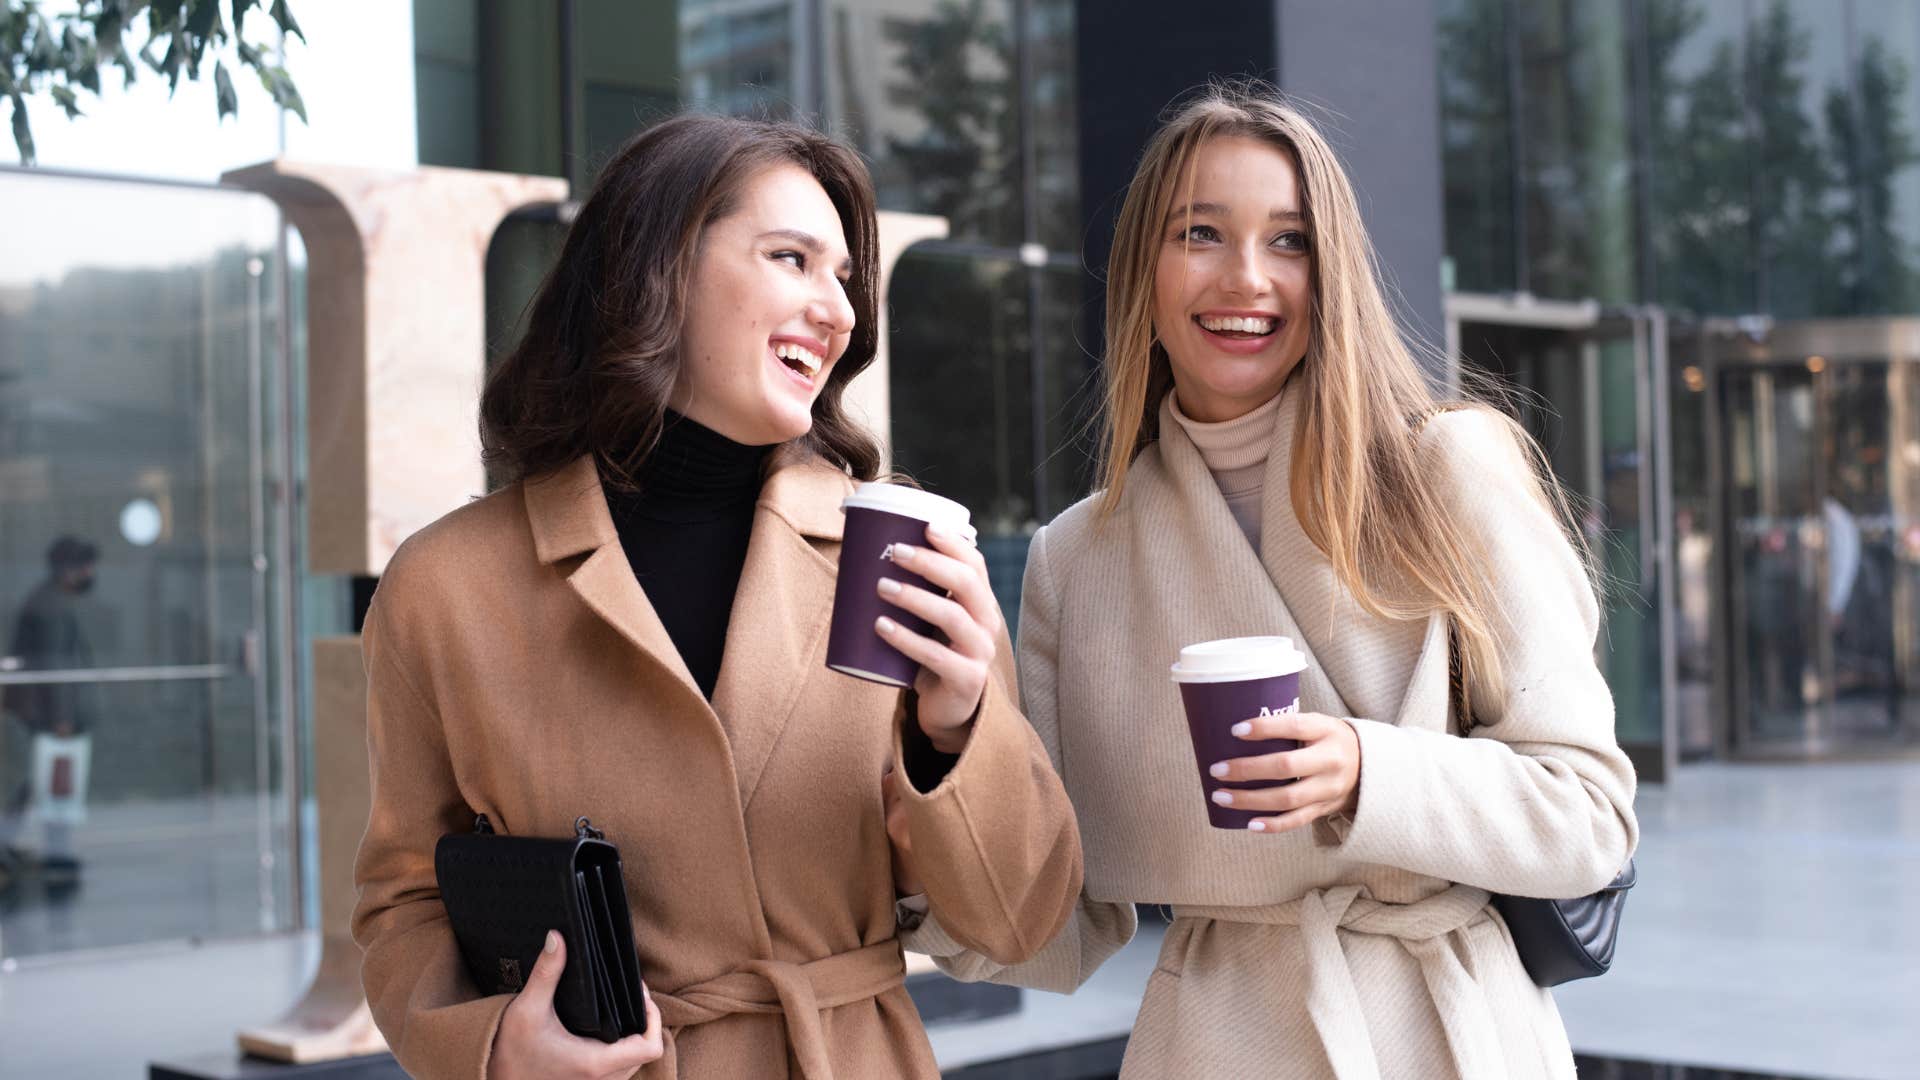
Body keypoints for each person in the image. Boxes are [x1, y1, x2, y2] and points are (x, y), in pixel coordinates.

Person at [893, 82, 1640, 1078]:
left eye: (1289, 241)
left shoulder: (1449, 475)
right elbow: (1047, 928)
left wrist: (1367, 772)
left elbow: (1588, 816)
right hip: (1213, 1043)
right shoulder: (1080, 558)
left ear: (1332, 274)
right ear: (1142, 273)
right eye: (1201, 232)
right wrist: (947, 749)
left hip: (1448, 1032)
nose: (1247, 278)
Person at [351, 113, 1082, 1080]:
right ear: (658, 267)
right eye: (793, 259)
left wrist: (959, 732)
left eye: (846, 279)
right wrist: (492, 1051)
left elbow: (1019, 920)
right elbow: (404, 902)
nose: (841, 310)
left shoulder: (893, 550)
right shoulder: (448, 587)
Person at [2, 535, 102, 882]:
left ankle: (10, 845)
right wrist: (62, 716)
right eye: (85, 567)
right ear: (69, 569)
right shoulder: (51, 605)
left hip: (39, 711)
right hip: (49, 714)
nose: (90, 573)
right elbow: (54, 665)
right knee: (53, 782)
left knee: (35, 782)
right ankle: (54, 852)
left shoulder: (48, 600)